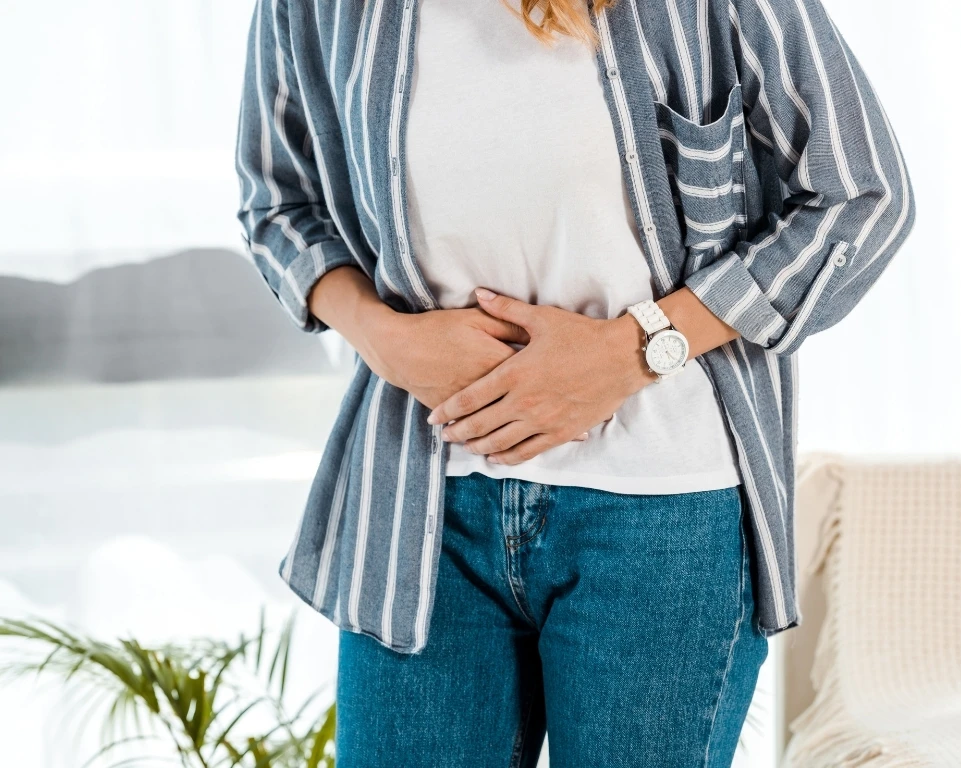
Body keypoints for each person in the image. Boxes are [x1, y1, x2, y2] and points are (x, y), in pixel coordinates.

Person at [234, 0, 914, 764]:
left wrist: (634, 350)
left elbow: (861, 197)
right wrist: (384, 338)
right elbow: (278, 203)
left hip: (662, 517)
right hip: (421, 509)